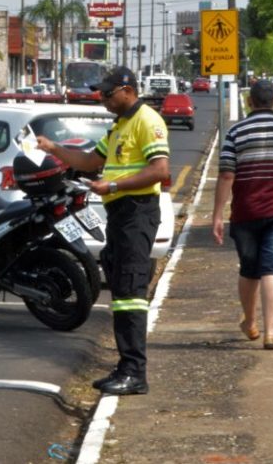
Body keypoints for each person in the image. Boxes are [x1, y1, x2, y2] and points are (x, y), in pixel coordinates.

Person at [36, 67, 170, 396]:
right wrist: (54, 148)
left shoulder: (147, 121)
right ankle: (126, 366)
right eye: (101, 94)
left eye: (108, 94)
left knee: (130, 294)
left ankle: (135, 372)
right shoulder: (118, 126)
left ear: (127, 90)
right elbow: (88, 161)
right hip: (121, 214)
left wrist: (113, 185)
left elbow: (160, 170)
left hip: (137, 213)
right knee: (121, 289)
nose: (104, 99)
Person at [211, 79, 273, 350]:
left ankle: (249, 322)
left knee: (250, 270)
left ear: (249, 102)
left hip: (246, 211)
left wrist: (218, 215)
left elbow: (226, 175)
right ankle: (270, 332)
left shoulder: (236, 132)